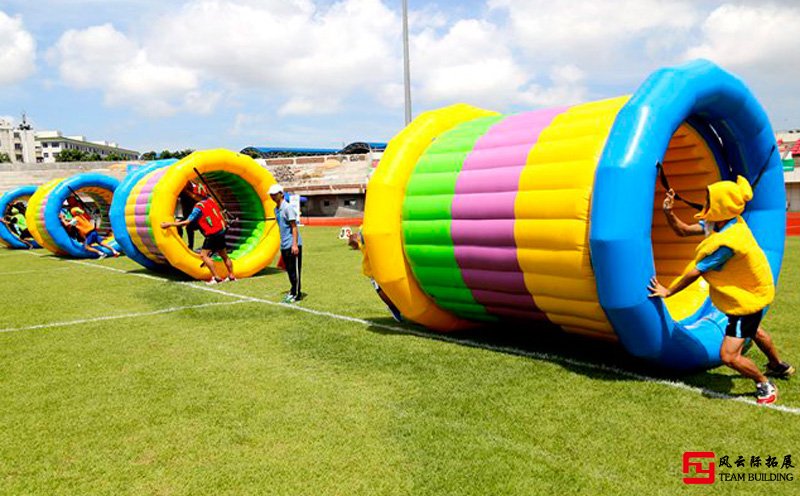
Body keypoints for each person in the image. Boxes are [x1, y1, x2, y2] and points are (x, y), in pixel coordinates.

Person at [649, 178, 793, 404]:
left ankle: (764, 383)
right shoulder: (722, 224)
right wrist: (669, 212)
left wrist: (668, 292)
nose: (706, 202)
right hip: (752, 292)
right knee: (754, 331)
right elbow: (683, 231)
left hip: (746, 299)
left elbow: (695, 272)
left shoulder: (728, 242)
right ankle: (778, 365)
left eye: (710, 200)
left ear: (722, 205)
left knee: (729, 355)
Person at [161, 182, 235, 284]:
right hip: (221, 231)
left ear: (197, 195)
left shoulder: (198, 207)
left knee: (204, 256)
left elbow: (187, 222)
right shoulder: (211, 201)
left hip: (212, 233)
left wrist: (169, 224)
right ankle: (231, 276)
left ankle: (216, 277)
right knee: (224, 256)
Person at [349, 231, 402, 322]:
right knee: (381, 290)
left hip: (381, 265)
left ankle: (395, 306)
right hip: (372, 270)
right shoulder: (363, 237)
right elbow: (356, 240)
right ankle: (392, 307)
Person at [269, 184, 302, 303]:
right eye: (271, 194)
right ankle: (293, 290)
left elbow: (294, 227)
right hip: (285, 244)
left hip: (293, 245)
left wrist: (294, 244)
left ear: (281, 194)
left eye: (275, 194)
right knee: (289, 270)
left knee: (295, 270)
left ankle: (296, 294)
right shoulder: (276, 209)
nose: (272, 196)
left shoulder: (287, 208)